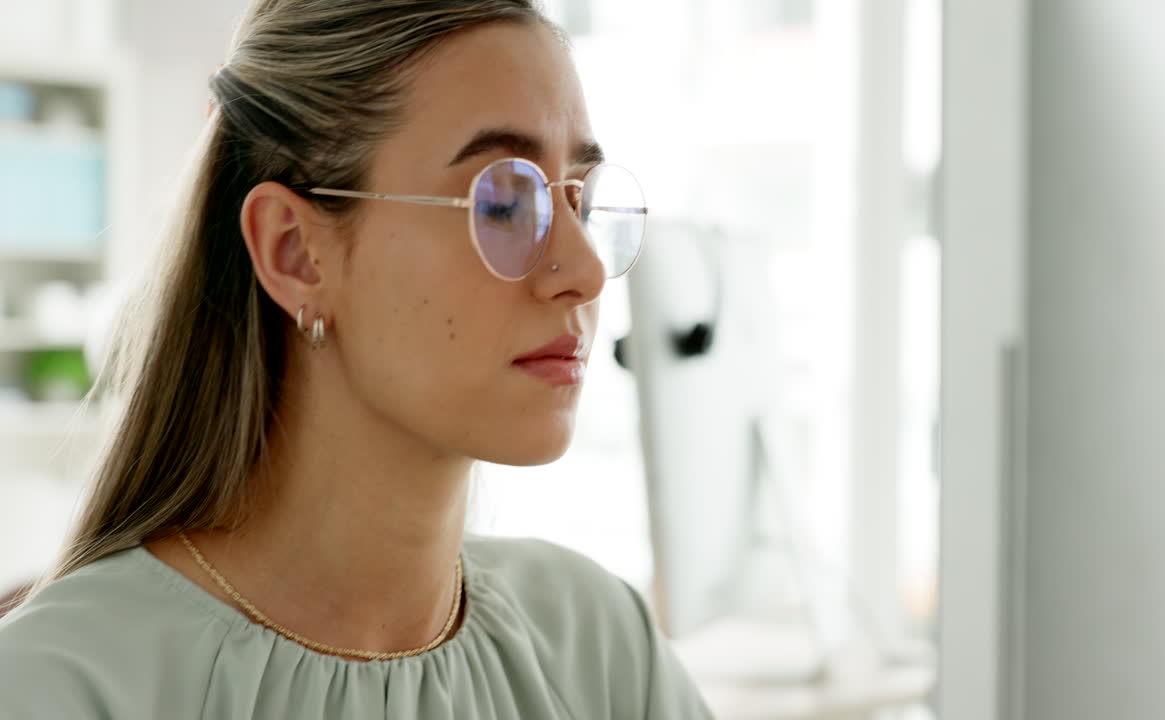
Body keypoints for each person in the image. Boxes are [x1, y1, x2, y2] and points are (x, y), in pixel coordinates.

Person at [0, 1, 712, 717]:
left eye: (580, 202)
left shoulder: (600, 644)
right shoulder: (62, 686)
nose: (584, 271)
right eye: (501, 202)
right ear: (294, 253)